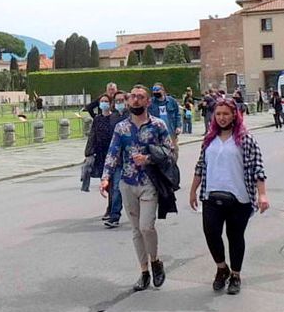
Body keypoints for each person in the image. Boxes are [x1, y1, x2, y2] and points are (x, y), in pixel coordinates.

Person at [188, 97, 270, 295]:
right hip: (211, 194)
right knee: (211, 233)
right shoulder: (209, 139)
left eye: (226, 114)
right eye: (218, 114)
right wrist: (193, 190)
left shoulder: (245, 139)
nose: (222, 118)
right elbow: (201, 166)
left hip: (239, 197)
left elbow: (257, 167)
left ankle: (235, 274)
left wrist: (262, 194)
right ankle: (221, 267)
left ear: (234, 115)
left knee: (235, 236)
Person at [100, 85, 173, 290]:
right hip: (127, 183)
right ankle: (143, 271)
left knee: (146, 227)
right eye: (133, 97)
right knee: (135, 230)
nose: (135, 100)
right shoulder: (121, 128)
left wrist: (148, 158)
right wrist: (106, 177)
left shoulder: (157, 125)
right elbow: (112, 153)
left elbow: (170, 151)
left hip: (149, 183)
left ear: (148, 102)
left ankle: (156, 260)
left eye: (140, 97)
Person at [102, 91, 129, 228]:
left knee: (134, 189)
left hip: (131, 159)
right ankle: (114, 216)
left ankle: (139, 213)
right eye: (116, 101)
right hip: (117, 159)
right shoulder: (112, 118)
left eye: (121, 100)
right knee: (117, 188)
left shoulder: (131, 115)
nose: (119, 103)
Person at [85, 94, 114, 197]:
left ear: (110, 104)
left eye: (106, 101)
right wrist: (89, 152)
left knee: (112, 180)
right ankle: (111, 201)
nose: (104, 103)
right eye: (102, 101)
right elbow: (92, 135)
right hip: (100, 153)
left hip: (111, 152)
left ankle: (112, 207)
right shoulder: (97, 119)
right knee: (104, 179)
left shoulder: (114, 118)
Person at [148, 82, 182, 153]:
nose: (155, 92)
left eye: (157, 90)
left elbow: (177, 114)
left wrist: (178, 126)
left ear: (163, 90)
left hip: (171, 131)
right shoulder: (151, 103)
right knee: (161, 153)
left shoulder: (171, 101)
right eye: (154, 90)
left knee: (174, 151)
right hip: (158, 133)